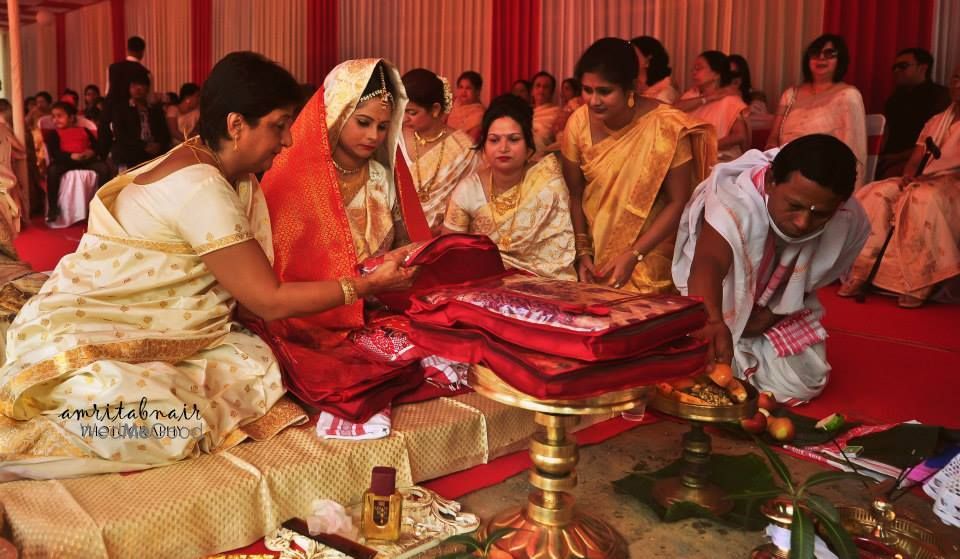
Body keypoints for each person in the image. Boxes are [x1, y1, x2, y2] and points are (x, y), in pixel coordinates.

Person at [0, 52, 419, 481]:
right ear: (236, 125)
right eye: (278, 125)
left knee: (257, 363)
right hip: (91, 334)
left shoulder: (209, 163)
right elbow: (268, 300)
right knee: (160, 420)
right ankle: (26, 449)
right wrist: (363, 287)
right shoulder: (203, 187)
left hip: (158, 324)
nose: (289, 140)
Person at [253, 58, 434, 421]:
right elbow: (276, 272)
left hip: (373, 308)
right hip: (302, 316)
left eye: (384, 127)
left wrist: (401, 263)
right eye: (363, 122)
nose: (374, 137)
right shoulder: (292, 178)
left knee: (440, 350)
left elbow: (406, 242)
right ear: (335, 113)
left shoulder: (385, 177)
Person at [674, 134, 869, 403]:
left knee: (803, 383)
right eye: (794, 206)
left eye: (820, 214)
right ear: (770, 182)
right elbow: (710, 261)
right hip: (715, 301)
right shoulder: (736, 198)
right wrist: (713, 321)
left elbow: (811, 279)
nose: (802, 223)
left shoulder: (850, 220)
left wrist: (772, 314)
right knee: (696, 368)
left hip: (777, 308)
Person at [560, 38, 715, 294]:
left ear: (630, 87)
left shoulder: (666, 126)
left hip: (650, 252)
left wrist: (634, 254)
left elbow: (679, 201)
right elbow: (575, 193)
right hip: (594, 248)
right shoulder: (577, 123)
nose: (593, 100)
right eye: (587, 90)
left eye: (605, 91)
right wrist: (582, 251)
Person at [839, 64, 960, 308]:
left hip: (953, 184)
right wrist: (908, 177)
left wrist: (929, 181)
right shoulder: (937, 121)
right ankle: (864, 270)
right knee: (878, 192)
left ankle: (920, 280)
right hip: (924, 179)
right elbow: (915, 160)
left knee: (923, 198)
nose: (957, 84)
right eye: (956, 77)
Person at [444, 94, 575, 279]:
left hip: (541, 288)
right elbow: (450, 255)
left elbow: (557, 260)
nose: (503, 148)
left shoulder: (547, 183)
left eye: (513, 139)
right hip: (482, 286)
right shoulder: (468, 190)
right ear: (484, 146)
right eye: (494, 140)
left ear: (529, 147)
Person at [767, 34, 868, 186]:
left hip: (823, 171)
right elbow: (773, 138)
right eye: (815, 53)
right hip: (784, 166)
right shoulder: (790, 94)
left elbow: (853, 150)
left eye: (829, 54)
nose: (821, 58)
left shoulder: (848, 95)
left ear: (840, 60)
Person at [400, 68, 479, 232]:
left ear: (435, 109)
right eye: (401, 111)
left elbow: (473, 203)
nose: (404, 118)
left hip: (442, 240)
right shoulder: (395, 139)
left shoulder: (464, 149)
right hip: (394, 239)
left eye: (412, 112)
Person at [876, 48, 951, 179]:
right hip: (889, 160)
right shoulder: (894, 99)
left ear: (923, 68)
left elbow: (938, 141)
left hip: (922, 161)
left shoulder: (940, 97)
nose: (896, 71)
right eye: (894, 67)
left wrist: (895, 158)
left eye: (903, 66)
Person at [44, 101, 110, 222]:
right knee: (52, 171)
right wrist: (71, 156)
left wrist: (91, 152)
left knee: (104, 169)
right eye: (53, 117)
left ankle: (100, 204)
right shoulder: (54, 134)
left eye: (60, 116)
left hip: (85, 160)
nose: (55, 120)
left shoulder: (84, 130)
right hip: (65, 161)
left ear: (71, 118)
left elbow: (97, 146)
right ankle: (53, 208)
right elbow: (54, 152)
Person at [678, 51, 750, 161]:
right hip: (691, 156)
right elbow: (672, 110)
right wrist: (706, 98)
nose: (693, 72)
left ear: (716, 74)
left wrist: (708, 147)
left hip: (720, 158)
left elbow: (739, 135)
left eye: (699, 68)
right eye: (693, 69)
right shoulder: (691, 95)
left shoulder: (730, 100)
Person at [98, 74, 171, 170]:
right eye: (133, 86)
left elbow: (164, 132)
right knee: (124, 151)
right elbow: (120, 134)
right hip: (131, 149)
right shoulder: (121, 109)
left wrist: (158, 144)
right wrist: (144, 146)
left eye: (141, 86)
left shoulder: (155, 109)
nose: (137, 89)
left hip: (154, 149)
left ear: (147, 88)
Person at [630, 36, 679, 104]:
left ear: (647, 60)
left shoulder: (666, 90)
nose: (628, 58)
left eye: (633, 54)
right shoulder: (628, 83)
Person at [105, 36, 150, 105]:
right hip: (132, 112)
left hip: (111, 112)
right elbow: (149, 99)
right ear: (142, 51)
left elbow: (107, 93)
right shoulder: (146, 73)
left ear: (127, 49)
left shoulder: (111, 68)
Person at [446, 71, 485, 142]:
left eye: (468, 88)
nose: (463, 91)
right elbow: (440, 124)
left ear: (477, 91)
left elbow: (470, 142)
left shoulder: (480, 114)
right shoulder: (454, 102)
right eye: (461, 87)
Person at [530, 71, 561, 157]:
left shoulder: (558, 113)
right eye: (538, 86)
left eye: (546, 87)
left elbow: (562, 143)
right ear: (532, 91)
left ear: (552, 92)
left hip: (542, 160)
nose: (541, 90)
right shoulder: (522, 111)